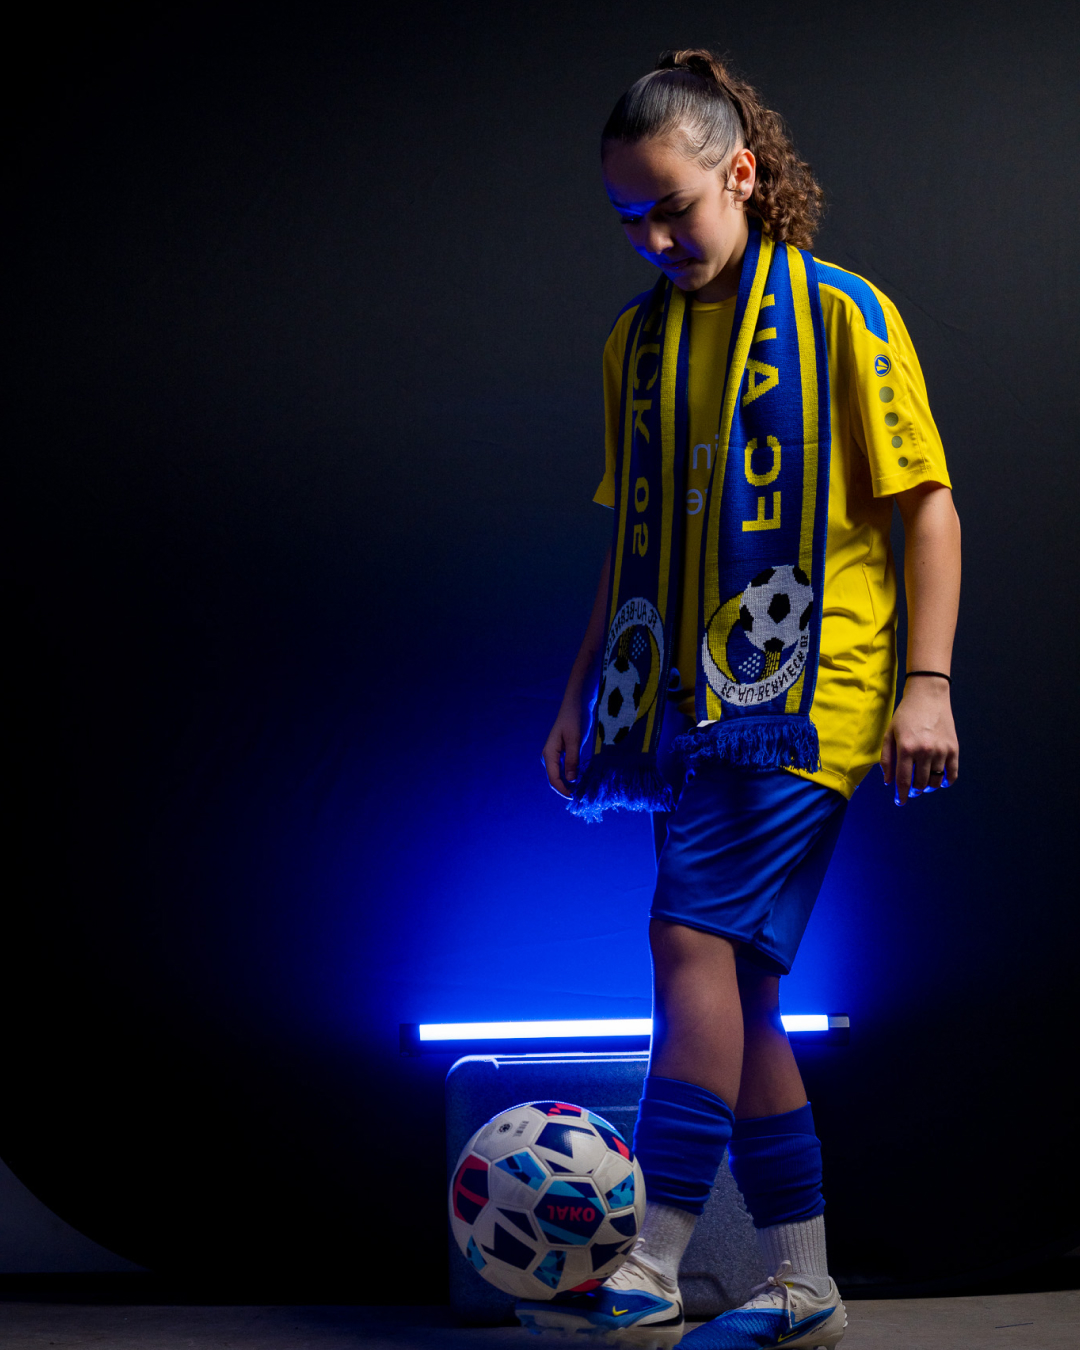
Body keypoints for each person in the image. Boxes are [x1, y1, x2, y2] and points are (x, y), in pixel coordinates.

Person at [527, 50, 960, 1350]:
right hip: (680, 709)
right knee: (741, 989)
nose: (655, 240)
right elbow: (630, 542)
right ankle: (804, 1281)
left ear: (742, 174)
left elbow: (927, 507)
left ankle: (652, 1257)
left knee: (683, 941)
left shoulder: (843, 314)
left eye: (673, 208)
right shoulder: (635, 344)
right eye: (629, 220)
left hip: (807, 693)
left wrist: (927, 684)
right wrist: (580, 695)